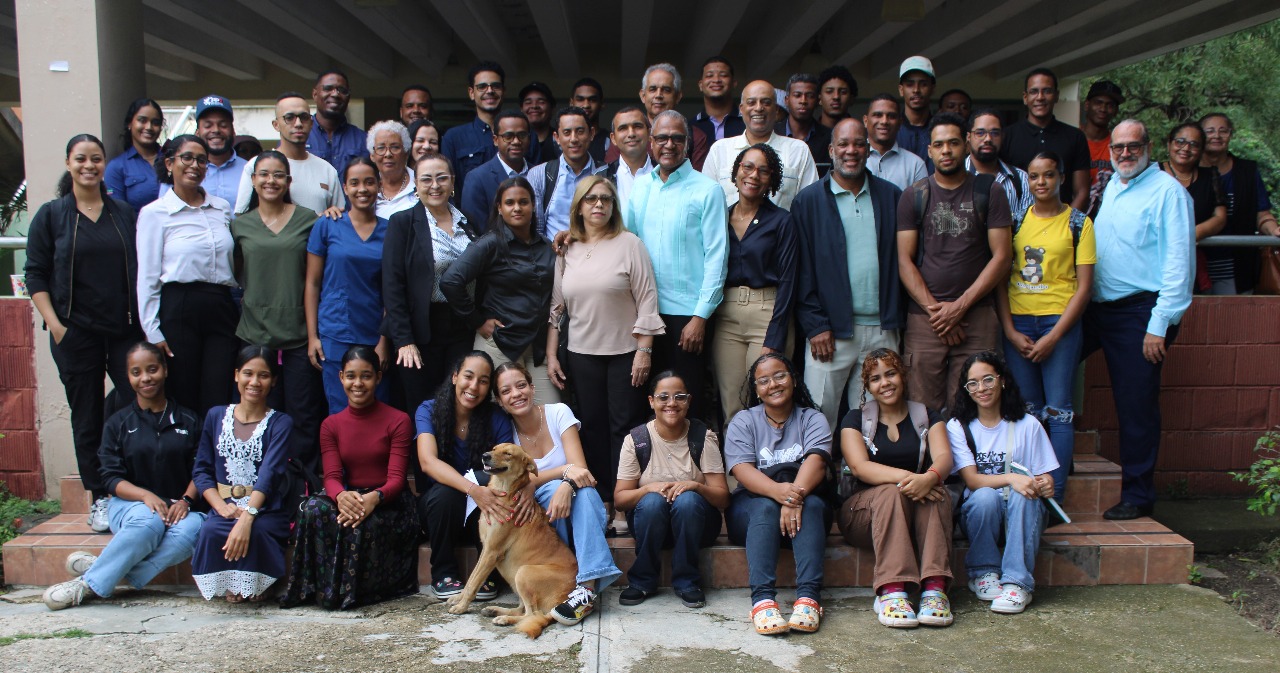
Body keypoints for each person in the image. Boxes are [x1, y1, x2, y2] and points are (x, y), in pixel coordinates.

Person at [25, 134, 143, 532]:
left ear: (105, 164)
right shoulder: (52, 216)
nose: (89, 165)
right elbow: (35, 274)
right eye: (81, 159)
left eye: (96, 158)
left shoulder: (123, 213)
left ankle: (136, 487)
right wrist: (57, 326)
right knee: (87, 416)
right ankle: (100, 496)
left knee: (136, 406)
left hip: (123, 331)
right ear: (69, 163)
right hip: (76, 334)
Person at [1084, 120, 1194, 520]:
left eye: (1133, 146)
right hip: (1099, 309)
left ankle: (1138, 495)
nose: (1125, 154)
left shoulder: (1169, 192)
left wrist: (1159, 325)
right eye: (1118, 147)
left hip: (1141, 313)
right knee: (1047, 357)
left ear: (1149, 146)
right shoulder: (1113, 185)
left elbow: (1180, 265)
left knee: (1135, 406)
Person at [42, 342, 203, 611]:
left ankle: (100, 572)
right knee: (149, 522)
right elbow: (110, 478)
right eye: (136, 372)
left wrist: (186, 500)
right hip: (130, 506)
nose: (145, 378)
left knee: (195, 529)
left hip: (179, 506)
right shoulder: (118, 423)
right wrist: (146, 496)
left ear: (165, 370)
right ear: (128, 377)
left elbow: (202, 469)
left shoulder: (189, 420)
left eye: (152, 369)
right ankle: (85, 586)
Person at [546, 176, 662, 518]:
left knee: (625, 428)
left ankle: (626, 501)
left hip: (626, 353)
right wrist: (552, 354)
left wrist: (644, 351)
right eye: (591, 199)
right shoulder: (567, 249)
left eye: (606, 199)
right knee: (592, 427)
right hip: (581, 354)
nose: (599, 204)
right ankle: (603, 502)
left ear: (614, 206)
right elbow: (557, 308)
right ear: (579, 207)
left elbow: (647, 300)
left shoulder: (630, 244)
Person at [280, 346, 417, 610]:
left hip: (388, 501)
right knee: (310, 508)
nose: (358, 384)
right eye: (351, 376)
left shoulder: (398, 420)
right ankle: (317, 588)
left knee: (358, 524)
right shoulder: (331, 425)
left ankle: (348, 593)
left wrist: (373, 499)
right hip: (350, 496)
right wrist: (342, 496)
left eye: (366, 376)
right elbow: (332, 476)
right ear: (341, 377)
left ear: (378, 377)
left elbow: (397, 479)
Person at [792, 118, 905, 431]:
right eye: (843, 144)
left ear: (868, 150)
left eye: (858, 144)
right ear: (831, 150)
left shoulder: (891, 197)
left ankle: (863, 466)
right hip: (829, 333)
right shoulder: (809, 201)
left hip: (883, 328)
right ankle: (819, 466)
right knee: (819, 419)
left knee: (874, 421)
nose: (851, 150)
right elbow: (800, 270)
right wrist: (815, 325)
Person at [995, 152, 1095, 503]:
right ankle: (1029, 493)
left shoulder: (1078, 223)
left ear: (1061, 178)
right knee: (1027, 411)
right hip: (1019, 324)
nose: (1041, 182)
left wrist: (1054, 336)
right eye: (1035, 176)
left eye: (1049, 175)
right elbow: (1001, 279)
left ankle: (1055, 497)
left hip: (1059, 323)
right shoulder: (1016, 221)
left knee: (1058, 411)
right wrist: (1009, 330)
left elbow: (1084, 288)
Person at [896, 113, 1014, 412]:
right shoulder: (914, 195)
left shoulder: (989, 191)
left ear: (967, 145)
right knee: (922, 409)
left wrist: (959, 307)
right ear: (929, 150)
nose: (946, 150)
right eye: (939, 144)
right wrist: (939, 313)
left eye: (953, 143)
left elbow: (1002, 256)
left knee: (975, 406)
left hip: (977, 316)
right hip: (926, 320)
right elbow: (904, 261)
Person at [493, 362, 623, 626]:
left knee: (585, 493)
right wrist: (564, 473)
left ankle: (586, 589)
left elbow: (579, 468)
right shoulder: (506, 435)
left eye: (521, 385)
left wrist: (566, 483)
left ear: (532, 387)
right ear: (499, 401)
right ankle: (569, 584)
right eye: (506, 391)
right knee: (564, 491)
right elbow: (517, 482)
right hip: (537, 515)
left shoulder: (558, 412)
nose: (516, 394)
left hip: (573, 499)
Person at [837, 348, 953, 628]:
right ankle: (892, 591)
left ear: (903, 375)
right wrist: (914, 478)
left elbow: (945, 459)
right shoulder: (855, 419)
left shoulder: (927, 416)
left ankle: (934, 589)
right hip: (862, 517)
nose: (885, 383)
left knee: (936, 494)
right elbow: (860, 467)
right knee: (893, 491)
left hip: (911, 516)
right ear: (867, 386)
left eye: (890, 374)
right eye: (875, 378)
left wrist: (930, 477)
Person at [625, 110, 728, 421]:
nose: (668, 144)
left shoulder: (707, 190)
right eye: (662, 138)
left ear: (688, 143)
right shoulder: (641, 186)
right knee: (647, 400)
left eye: (676, 138)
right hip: (645, 313)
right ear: (651, 142)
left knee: (686, 400)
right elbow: (625, 242)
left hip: (688, 317)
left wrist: (700, 317)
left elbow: (717, 257)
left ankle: (694, 454)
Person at [724, 354, 832, 635]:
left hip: (804, 510)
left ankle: (809, 599)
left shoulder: (812, 418)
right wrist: (779, 493)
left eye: (780, 376)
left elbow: (817, 462)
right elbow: (741, 469)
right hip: (752, 513)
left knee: (812, 504)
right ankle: (762, 601)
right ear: (756, 389)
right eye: (763, 380)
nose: (773, 384)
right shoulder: (743, 421)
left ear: (793, 379)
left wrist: (792, 498)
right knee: (764, 507)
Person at [231, 150, 324, 469]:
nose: (271, 180)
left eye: (278, 175)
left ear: (289, 181)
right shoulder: (240, 225)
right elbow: (236, 272)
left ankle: (303, 482)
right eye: (264, 174)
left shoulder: (309, 219)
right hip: (255, 333)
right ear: (253, 180)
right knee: (260, 411)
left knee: (303, 413)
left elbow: (316, 276)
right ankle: (263, 478)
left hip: (299, 332)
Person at [948, 351, 1058, 615]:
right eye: (972, 383)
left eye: (988, 379)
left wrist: (1046, 483)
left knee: (1025, 494)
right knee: (985, 495)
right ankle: (984, 572)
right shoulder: (958, 426)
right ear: (966, 389)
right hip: (980, 516)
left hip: (1022, 515)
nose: (981, 388)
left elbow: (1045, 475)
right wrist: (1011, 478)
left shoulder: (1028, 424)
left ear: (1002, 380)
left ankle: (1017, 583)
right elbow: (972, 480)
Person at [136, 135, 239, 415]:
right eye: (187, 158)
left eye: (202, 160)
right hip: (180, 306)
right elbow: (147, 277)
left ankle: (212, 445)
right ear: (170, 163)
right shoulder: (154, 213)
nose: (195, 165)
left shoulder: (221, 208)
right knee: (183, 392)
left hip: (220, 305)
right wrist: (152, 330)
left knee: (218, 393)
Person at [614, 371, 729, 608]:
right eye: (663, 397)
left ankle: (688, 582)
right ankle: (642, 581)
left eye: (679, 397)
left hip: (695, 526)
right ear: (651, 401)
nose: (671, 403)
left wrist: (696, 487)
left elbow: (723, 498)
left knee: (687, 500)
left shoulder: (702, 437)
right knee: (652, 501)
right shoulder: (637, 440)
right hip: (650, 525)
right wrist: (648, 489)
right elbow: (620, 500)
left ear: (689, 401)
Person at [441, 177, 560, 403]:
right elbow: (450, 281)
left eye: (523, 202)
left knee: (550, 411)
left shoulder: (545, 246)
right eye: (509, 203)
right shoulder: (490, 243)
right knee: (503, 412)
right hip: (500, 343)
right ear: (499, 208)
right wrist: (477, 321)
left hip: (537, 346)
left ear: (533, 205)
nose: (517, 208)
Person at [191, 345, 295, 602]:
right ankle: (233, 582)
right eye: (248, 373)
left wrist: (247, 517)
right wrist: (221, 507)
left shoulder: (280, 422)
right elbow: (201, 470)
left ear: (273, 381)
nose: (255, 382)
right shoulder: (216, 416)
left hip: (266, 507)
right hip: (225, 507)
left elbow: (270, 473)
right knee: (211, 530)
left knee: (258, 531)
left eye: (264, 375)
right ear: (236, 375)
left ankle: (257, 584)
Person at [383, 155, 481, 415]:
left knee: (457, 405)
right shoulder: (402, 223)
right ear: (416, 185)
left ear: (453, 182)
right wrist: (404, 340)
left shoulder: (468, 222)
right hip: (419, 331)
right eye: (426, 179)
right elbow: (392, 285)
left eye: (441, 178)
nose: (435, 185)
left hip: (462, 327)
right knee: (423, 408)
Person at [414, 351, 513, 599]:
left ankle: (488, 573)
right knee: (445, 493)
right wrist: (473, 490)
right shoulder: (429, 410)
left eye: (483, 381)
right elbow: (428, 462)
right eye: (468, 376)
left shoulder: (497, 418)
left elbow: (507, 468)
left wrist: (480, 490)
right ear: (455, 377)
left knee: (491, 485)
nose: (474, 386)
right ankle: (443, 573)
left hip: (483, 512)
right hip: (440, 513)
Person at [714, 144, 797, 422]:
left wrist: (776, 335)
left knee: (766, 399)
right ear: (736, 172)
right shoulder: (720, 217)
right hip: (726, 317)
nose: (753, 175)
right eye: (747, 167)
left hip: (767, 313)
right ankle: (735, 453)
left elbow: (788, 281)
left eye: (763, 170)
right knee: (732, 403)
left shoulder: (782, 221)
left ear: (771, 179)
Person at [305, 157, 392, 414]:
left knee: (377, 410)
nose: (362, 189)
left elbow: (393, 291)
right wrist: (313, 337)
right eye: (354, 183)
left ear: (379, 185)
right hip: (335, 331)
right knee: (340, 409)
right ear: (344, 187)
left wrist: (384, 341)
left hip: (374, 332)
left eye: (369, 182)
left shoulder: (391, 231)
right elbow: (312, 283)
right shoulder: (327, 225)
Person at [702, 80, 819, 211]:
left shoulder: (798, 150)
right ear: (741, 109)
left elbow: (811, 206)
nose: (758, 108)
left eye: (766, 102)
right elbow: (706, 203)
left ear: (776, 110)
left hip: (784, 225)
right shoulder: (719, 150)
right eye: (751, 102)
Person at [1199, 112, 1280, 294]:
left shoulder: (1247, 171)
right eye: (1209, 131)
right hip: (1194, 264)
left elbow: (1262, 213)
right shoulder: (1187, 171)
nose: (1216, 136)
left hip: (1237, 267)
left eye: (1223, 131)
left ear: (1231, 135)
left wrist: (1274, 230)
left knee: (1234, 311)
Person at [234, 93, 346, 216]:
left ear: (311, 123)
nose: (298, 123)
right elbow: (242, 217)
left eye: (304, 117)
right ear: (276, 125)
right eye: (289, 117)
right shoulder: (256, 165)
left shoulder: (327, 170)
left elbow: (339, 216)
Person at [1000, 68, 1091, 211]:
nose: (1040, 97)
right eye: (1034, 91)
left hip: (1064, 221)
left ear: (1056, 96)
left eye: (1047, 91)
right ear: (1025, 97)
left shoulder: (1075, 137)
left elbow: (1082, 192)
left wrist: (1067, 222)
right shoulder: (1006, 136)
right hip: (1016, 222)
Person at [1159, 123, 1225, 293]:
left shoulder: (1210, 176)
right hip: (1155, 258)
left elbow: (1220, 217)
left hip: (1195, 260)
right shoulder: (1152, 173)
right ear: (1169, 143)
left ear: (1202, 150)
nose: (1186, 148)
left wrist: (1191, 234)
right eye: (1180, 141)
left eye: (1194, 144)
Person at [529, 106, 605, 237]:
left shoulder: (606, 173)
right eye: (567, 132)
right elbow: (536, 229)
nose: (574, 139)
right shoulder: (540, 174)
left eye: (580, 131)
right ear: (556, 137)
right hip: (552, 249)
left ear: (591, 134)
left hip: (596, 248)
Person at [441, 61, 506, 196]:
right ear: (471, 93)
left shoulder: (524, 135)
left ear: (503, 91)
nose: (490, 91)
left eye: (495, 86)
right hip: (467, 210)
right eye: (482, 87)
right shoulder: (453, 138)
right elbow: (447, 186)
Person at [461, 111, 531, 224]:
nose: (516, 141)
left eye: (522, 135)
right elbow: (475, 227)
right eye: (508, 136)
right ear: (495, 140)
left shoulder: (541, 173)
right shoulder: (477, 178)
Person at [965, 109, 1034, 223]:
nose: (988, 139)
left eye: (995, 133)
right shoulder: (955, 175)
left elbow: (1026, 227)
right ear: (968, 137)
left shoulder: (1022, 179)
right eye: (980, 133)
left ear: (1002, 136)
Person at [104, 98, 164, 211]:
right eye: (142, 120)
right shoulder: (117, 167)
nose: (149, 127)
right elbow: (117, 213)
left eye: (155, 123)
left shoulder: (172, 160)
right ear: (129, 124)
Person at [864, 95, 927, 191]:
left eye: (891, 116)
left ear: (900, 123)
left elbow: (921, 200)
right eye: (878, 115)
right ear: (865, 121)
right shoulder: (851, 159)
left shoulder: (915, 164)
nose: (884, 121)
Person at [191, 95, 246, 205]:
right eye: (208, 125)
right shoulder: (185, 171)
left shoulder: (249, 170)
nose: (216, 130)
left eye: (223, 125)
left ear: (233, 131)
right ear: (197, 133)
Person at [308, 70, 368, 171]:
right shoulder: (300, 137)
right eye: (328, 88)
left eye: (342, 90)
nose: (335, 94)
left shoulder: (363, 140)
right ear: (315, 94)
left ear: (348, 97)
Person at [1081, 81, 1123, 219]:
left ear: (1116, 111)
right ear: (1087, 105)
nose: (1103, 109)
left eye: (1110, 105)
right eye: (1098, 103)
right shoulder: (1070, 140)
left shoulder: (1120, 146)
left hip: (1110, 218)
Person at [776, 73, 832, 171]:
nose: (803, 101)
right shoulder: (772, 133)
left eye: (810, 96)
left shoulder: (830, 137)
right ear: (786, 100)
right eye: (797, 95)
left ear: (818, 101)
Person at [606, 105, 655, 209]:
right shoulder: (601, 176)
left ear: (649, 133)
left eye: (637, 126)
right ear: (613, 138)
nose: (631, 134)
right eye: (623, 128)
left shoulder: (667, 174)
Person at [367, 120, 417, 219]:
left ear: (406, 153)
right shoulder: (367, 188)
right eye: (381, 148)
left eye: (395, 147)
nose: (388, 154)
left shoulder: (419, 183)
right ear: (372, 156)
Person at [691, 56, 744, 143]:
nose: (716, 80)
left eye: (723, 75)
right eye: (709, 75)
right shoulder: (690, 127)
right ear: (700, 85)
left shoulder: (748, 122)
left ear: (733, 83)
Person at [896, 57, 936, 164]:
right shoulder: (891, 129)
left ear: (932, 89)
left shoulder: (941, 129)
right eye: (910, 84)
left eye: (923, 84)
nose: (916, 90)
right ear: (901, 90)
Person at [519, 81, 557, 165]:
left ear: (552, 108)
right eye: (528, 102)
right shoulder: (516, 142)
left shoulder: (560, 140)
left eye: (541, 102)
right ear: (521, 109)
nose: (534, 106)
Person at [816, 65, 857, 129]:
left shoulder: (861, 133)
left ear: (851, 98)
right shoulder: (807, 133)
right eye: (829, 91)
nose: (836, 96)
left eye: (843, 92)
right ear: (819, 98)